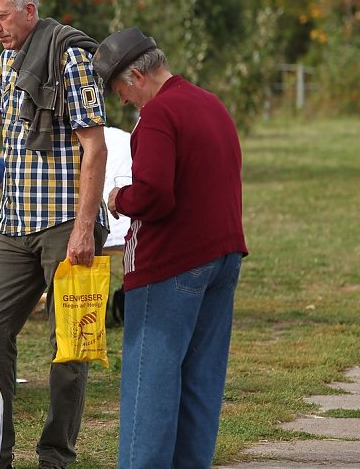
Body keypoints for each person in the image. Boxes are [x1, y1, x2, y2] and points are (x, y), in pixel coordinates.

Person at [0, 0, 109, 469]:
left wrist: (84, 227)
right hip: (14, 220)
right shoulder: (7, 59)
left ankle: (55, 455)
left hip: (65, 220)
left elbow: (95, 145)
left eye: (0, 16)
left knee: (69, 344)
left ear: (30, 10)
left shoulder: (71, 57)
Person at [93, 27, 248, 469]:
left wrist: (118, 198)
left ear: (137, 75)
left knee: (150, 386)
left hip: (171, 264)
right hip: (223, 255)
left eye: (119, 89)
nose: (122, 101)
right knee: (201, 381)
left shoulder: (159, 114)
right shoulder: (210, 103)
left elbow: (155, 196)